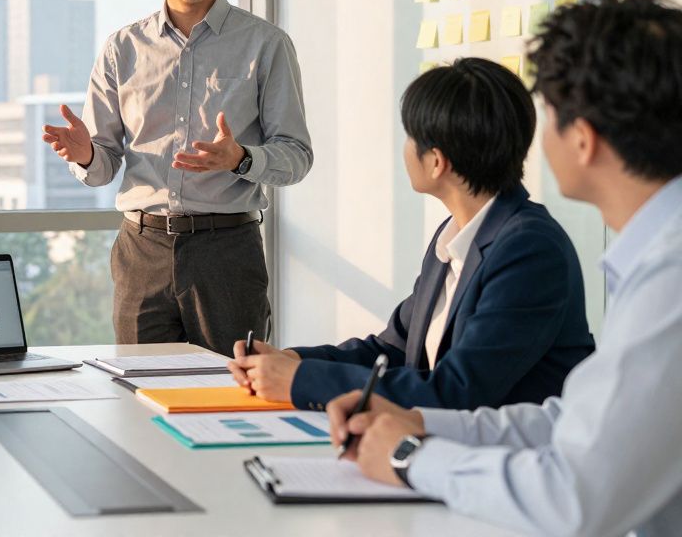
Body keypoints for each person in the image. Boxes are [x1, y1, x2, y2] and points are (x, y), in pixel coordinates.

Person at [328, 0, 682, 536]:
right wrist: (418, 424)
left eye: (549, 116)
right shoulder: (655, 258)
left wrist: (410, 459)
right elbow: (570, 422)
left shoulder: (667, 276)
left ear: (583, 139)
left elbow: (574, 497)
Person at [227, 58, 594, 410]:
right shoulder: (454, 237)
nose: (405, 148)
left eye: (410, 136)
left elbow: (457, 391)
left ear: (437, 162)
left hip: (508, 459)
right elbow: (394, 350)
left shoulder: (529, 251)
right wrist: (290, 359)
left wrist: (301, 380)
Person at [41, 0, 313, 356]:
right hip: (140, 250)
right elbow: (103, 166)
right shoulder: (122, 49)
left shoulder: (266, 44)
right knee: (137, 396)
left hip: (227, 249)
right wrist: (86, 153)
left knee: (232, 392)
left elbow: (297, 154)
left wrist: (242, 158)